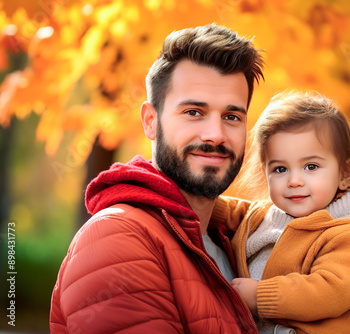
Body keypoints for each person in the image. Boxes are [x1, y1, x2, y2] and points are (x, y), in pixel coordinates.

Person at [49, 24, 264, 333]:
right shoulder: (119, 239)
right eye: (194, 112)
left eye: (232, 117)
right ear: (151, 122)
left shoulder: (236, 242)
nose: (216, 135)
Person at [212, 91, 350, 334]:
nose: (294, 181)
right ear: (265, 173)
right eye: (280, 169)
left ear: (344, 174)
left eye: (311, 166)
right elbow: (226, 210)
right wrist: (190, 197)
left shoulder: (347, 237)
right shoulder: (259, 217)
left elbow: (329, 291)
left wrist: (261, 296)